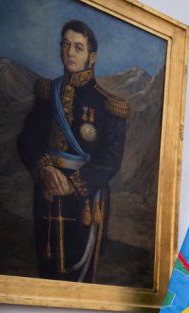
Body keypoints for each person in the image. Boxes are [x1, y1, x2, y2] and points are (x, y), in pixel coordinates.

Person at [17, 19, 128, 283]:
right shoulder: (47, 94)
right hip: (45, 192)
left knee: (79, 274)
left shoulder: (107, 104)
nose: (70, 52)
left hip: (85, 198)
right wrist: (43, 169)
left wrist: (74, 184)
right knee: (47, 268)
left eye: (78, 47)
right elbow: (26, 141)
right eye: (66, 45)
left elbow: (111, 158)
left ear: (92, 57)